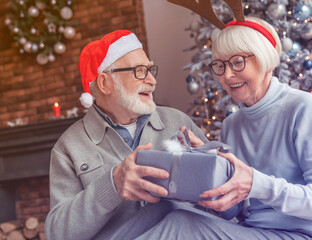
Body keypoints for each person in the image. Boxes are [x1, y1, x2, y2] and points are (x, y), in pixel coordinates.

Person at [187, 16, 312, 239]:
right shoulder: (231, 125)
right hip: (257, 231)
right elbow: (232, 211)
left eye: (237, 62)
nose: (226, 75)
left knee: (181, 223)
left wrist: (257, 183)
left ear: (265, 59)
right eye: (220, 65)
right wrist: (208, 171)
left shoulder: (303, 107)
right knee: (180, 216)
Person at [44, 30, 208, 240]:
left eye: (150, 70)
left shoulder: (178, 122)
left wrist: (209, 168)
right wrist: (112, 186)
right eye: (140, 71)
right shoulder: (68, 147)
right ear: (105, 83)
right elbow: (58, 235)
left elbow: (225, 200)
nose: (152, 80)